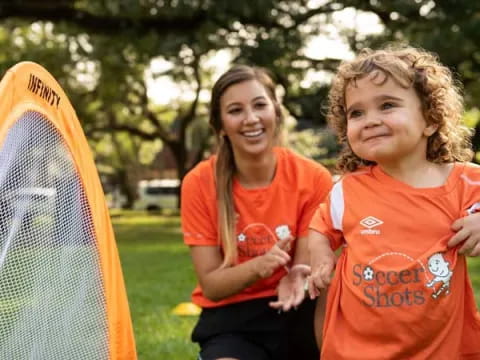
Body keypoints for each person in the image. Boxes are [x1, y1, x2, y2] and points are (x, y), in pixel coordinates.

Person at [307, 45, 480, 359]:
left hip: (442, 350)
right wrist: (321, 259)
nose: (370, 120)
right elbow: (320, 228)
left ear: (430, 119)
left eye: (387, 105)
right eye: (356, 113)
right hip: (357, 349)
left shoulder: (465, 182)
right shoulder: (347, 190)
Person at [181, 64, 333, 360]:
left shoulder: (313, 177)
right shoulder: (198, 183)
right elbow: (212, 286)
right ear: (220, 125)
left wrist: (299, 276)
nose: (251, 119)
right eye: (235, 110)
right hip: (232, 321)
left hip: (297, 309)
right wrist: (259, 266)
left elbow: (305, 266)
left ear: (276, 112)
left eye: (260, 105)